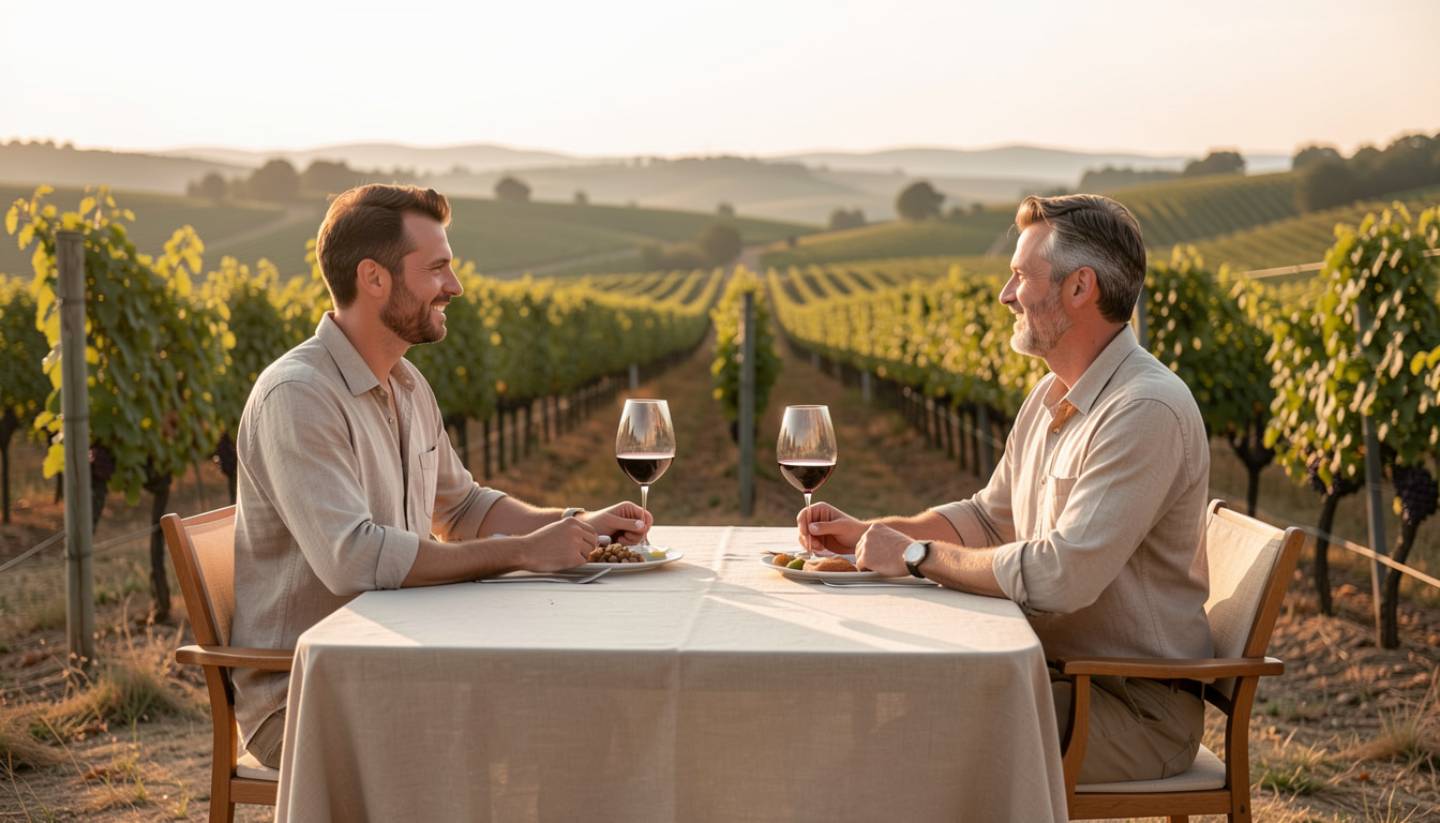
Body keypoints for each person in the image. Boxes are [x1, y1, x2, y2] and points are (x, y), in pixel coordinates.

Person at [230, 184, 652, 769]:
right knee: (554, 718)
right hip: (311, 694)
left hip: (398, 655)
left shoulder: (405, 382)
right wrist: (522, 553)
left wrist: (574, 526)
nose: (454, 287)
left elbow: (462, 509)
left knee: (587, 703)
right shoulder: (299, 395)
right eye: (437, 269)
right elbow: (351, 557)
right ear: (374, 279)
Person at [798, 194, 1212, 783]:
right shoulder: (1051, 396)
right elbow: (989, 519)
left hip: (1127, 710)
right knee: (870, 708)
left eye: (1021, 275)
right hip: (1050, 675)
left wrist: (915, 558)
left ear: (1079, 288)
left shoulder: (1143, 409)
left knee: (896, 753)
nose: (1005, 294)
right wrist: (876, 534)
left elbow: (1061, 576)